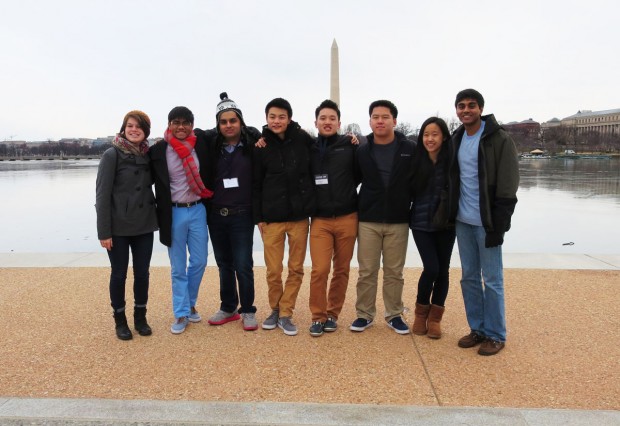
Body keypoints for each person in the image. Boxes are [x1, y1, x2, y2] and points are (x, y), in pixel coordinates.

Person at [448, 89, 519, 356]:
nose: (466, 110)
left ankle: (496, 334)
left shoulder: (499, 139)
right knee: (468, 278)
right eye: (461, 106)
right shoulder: (456, 138)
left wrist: (501, 224)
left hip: (487, 221)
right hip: (463, 221)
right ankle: (477, 328)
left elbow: (509, 183)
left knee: (492, 279)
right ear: (456, 110)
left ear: (481, 108)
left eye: (471, 105)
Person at [195, 93, 261, 331]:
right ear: (218, 125)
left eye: (233, 121)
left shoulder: (254, 144)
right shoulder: (212, 146)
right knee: (224, 264)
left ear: (241, 122)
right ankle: (228, 307)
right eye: (223, 122)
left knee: (243, 263)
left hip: (242, 214)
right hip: (217, 214)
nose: (228, 125)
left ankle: (248, 309)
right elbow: (185, 137)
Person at [350, 100, 415, 335]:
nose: (380, 121)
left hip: (398, 218)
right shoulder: (362, 150)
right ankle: (364, 314)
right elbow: (353, 181)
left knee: (394, 271)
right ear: (370, 121)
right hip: (368, 218)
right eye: (375, 117)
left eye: (385, 117)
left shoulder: (409, 148)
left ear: (394, 121)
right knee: (367, 270)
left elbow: (418, 181)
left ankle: (394, 314)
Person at [253, 97, 316, 336]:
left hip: (299, 217)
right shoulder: (260, 146)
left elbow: (323, 153)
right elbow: (256, 184)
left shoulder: (302, 140)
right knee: (273, 269)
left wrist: (349, 140)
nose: (277, 121)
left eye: (281, 116)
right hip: (271, 218)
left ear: (289, 118)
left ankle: (286, 311)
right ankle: (275, 309)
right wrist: (258, 216)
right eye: (272, 117)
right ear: (267, 119)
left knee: (296, 267)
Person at [149, 106, 213, 335]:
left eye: (185, 122)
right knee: (178, 266)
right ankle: (181, 311)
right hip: (173, 212)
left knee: (199, 261)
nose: (181, 127)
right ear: (169, 125)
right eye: (176, 122)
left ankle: (190, 301)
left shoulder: (201, 143)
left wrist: (259, 136)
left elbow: (232, 130)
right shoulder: (158, 150)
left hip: (197, 209)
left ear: (192, 125)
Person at [96, 110, 158, 340]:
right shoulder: (112, 155)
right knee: (119, 274)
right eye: (130, 126)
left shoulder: (147, 156)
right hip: (118, 228)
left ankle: (140, 317)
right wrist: (104, 232)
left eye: (138, 127)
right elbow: (102, 196)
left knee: (142, 274)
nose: (134, 130)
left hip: (143, 225)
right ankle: (120, 320)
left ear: (146, 132)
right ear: (124, 128)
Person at [308, 100, 359, 337]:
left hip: (348, 216)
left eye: (332, 119)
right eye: (323, 118)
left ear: (339, 122)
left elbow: (361, 174)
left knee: (341, 269)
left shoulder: (350, 145)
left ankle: (332, 314)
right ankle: (317, 316)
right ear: (316, 122)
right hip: (320, 219)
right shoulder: (308, 147)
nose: (327, 122)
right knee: (319, 269)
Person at [409, 117, 456, 339]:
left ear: (444, 136)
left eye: (435, 134)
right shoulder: (415, 161)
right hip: (420, 223)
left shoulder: (452, 162)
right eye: (426, 134)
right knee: (432, 268)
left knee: (443, 269)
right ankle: (420, 313)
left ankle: (435, 318)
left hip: (446, 224)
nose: (430, 138)